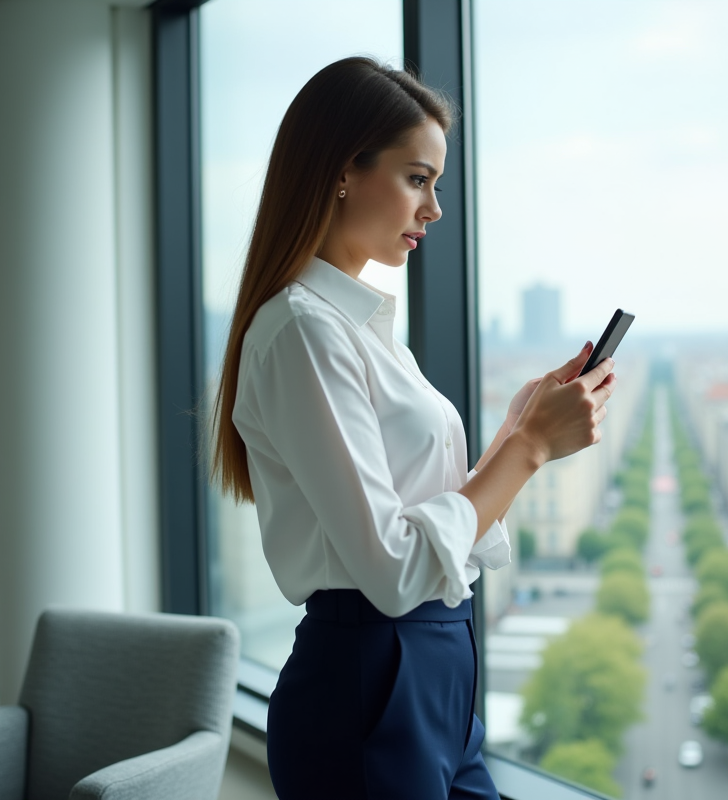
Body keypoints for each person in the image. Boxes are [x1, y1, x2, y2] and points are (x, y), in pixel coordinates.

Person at [210, 56, 617, 800]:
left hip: (431, 669)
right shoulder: (304, 331)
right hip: (370, 677)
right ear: (342, 171)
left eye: (436, 184)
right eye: (417, 178)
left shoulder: (361, 328)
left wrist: (515, 433)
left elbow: (430, 520)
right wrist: (528, 449)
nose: (433, 210)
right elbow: (395, 570)